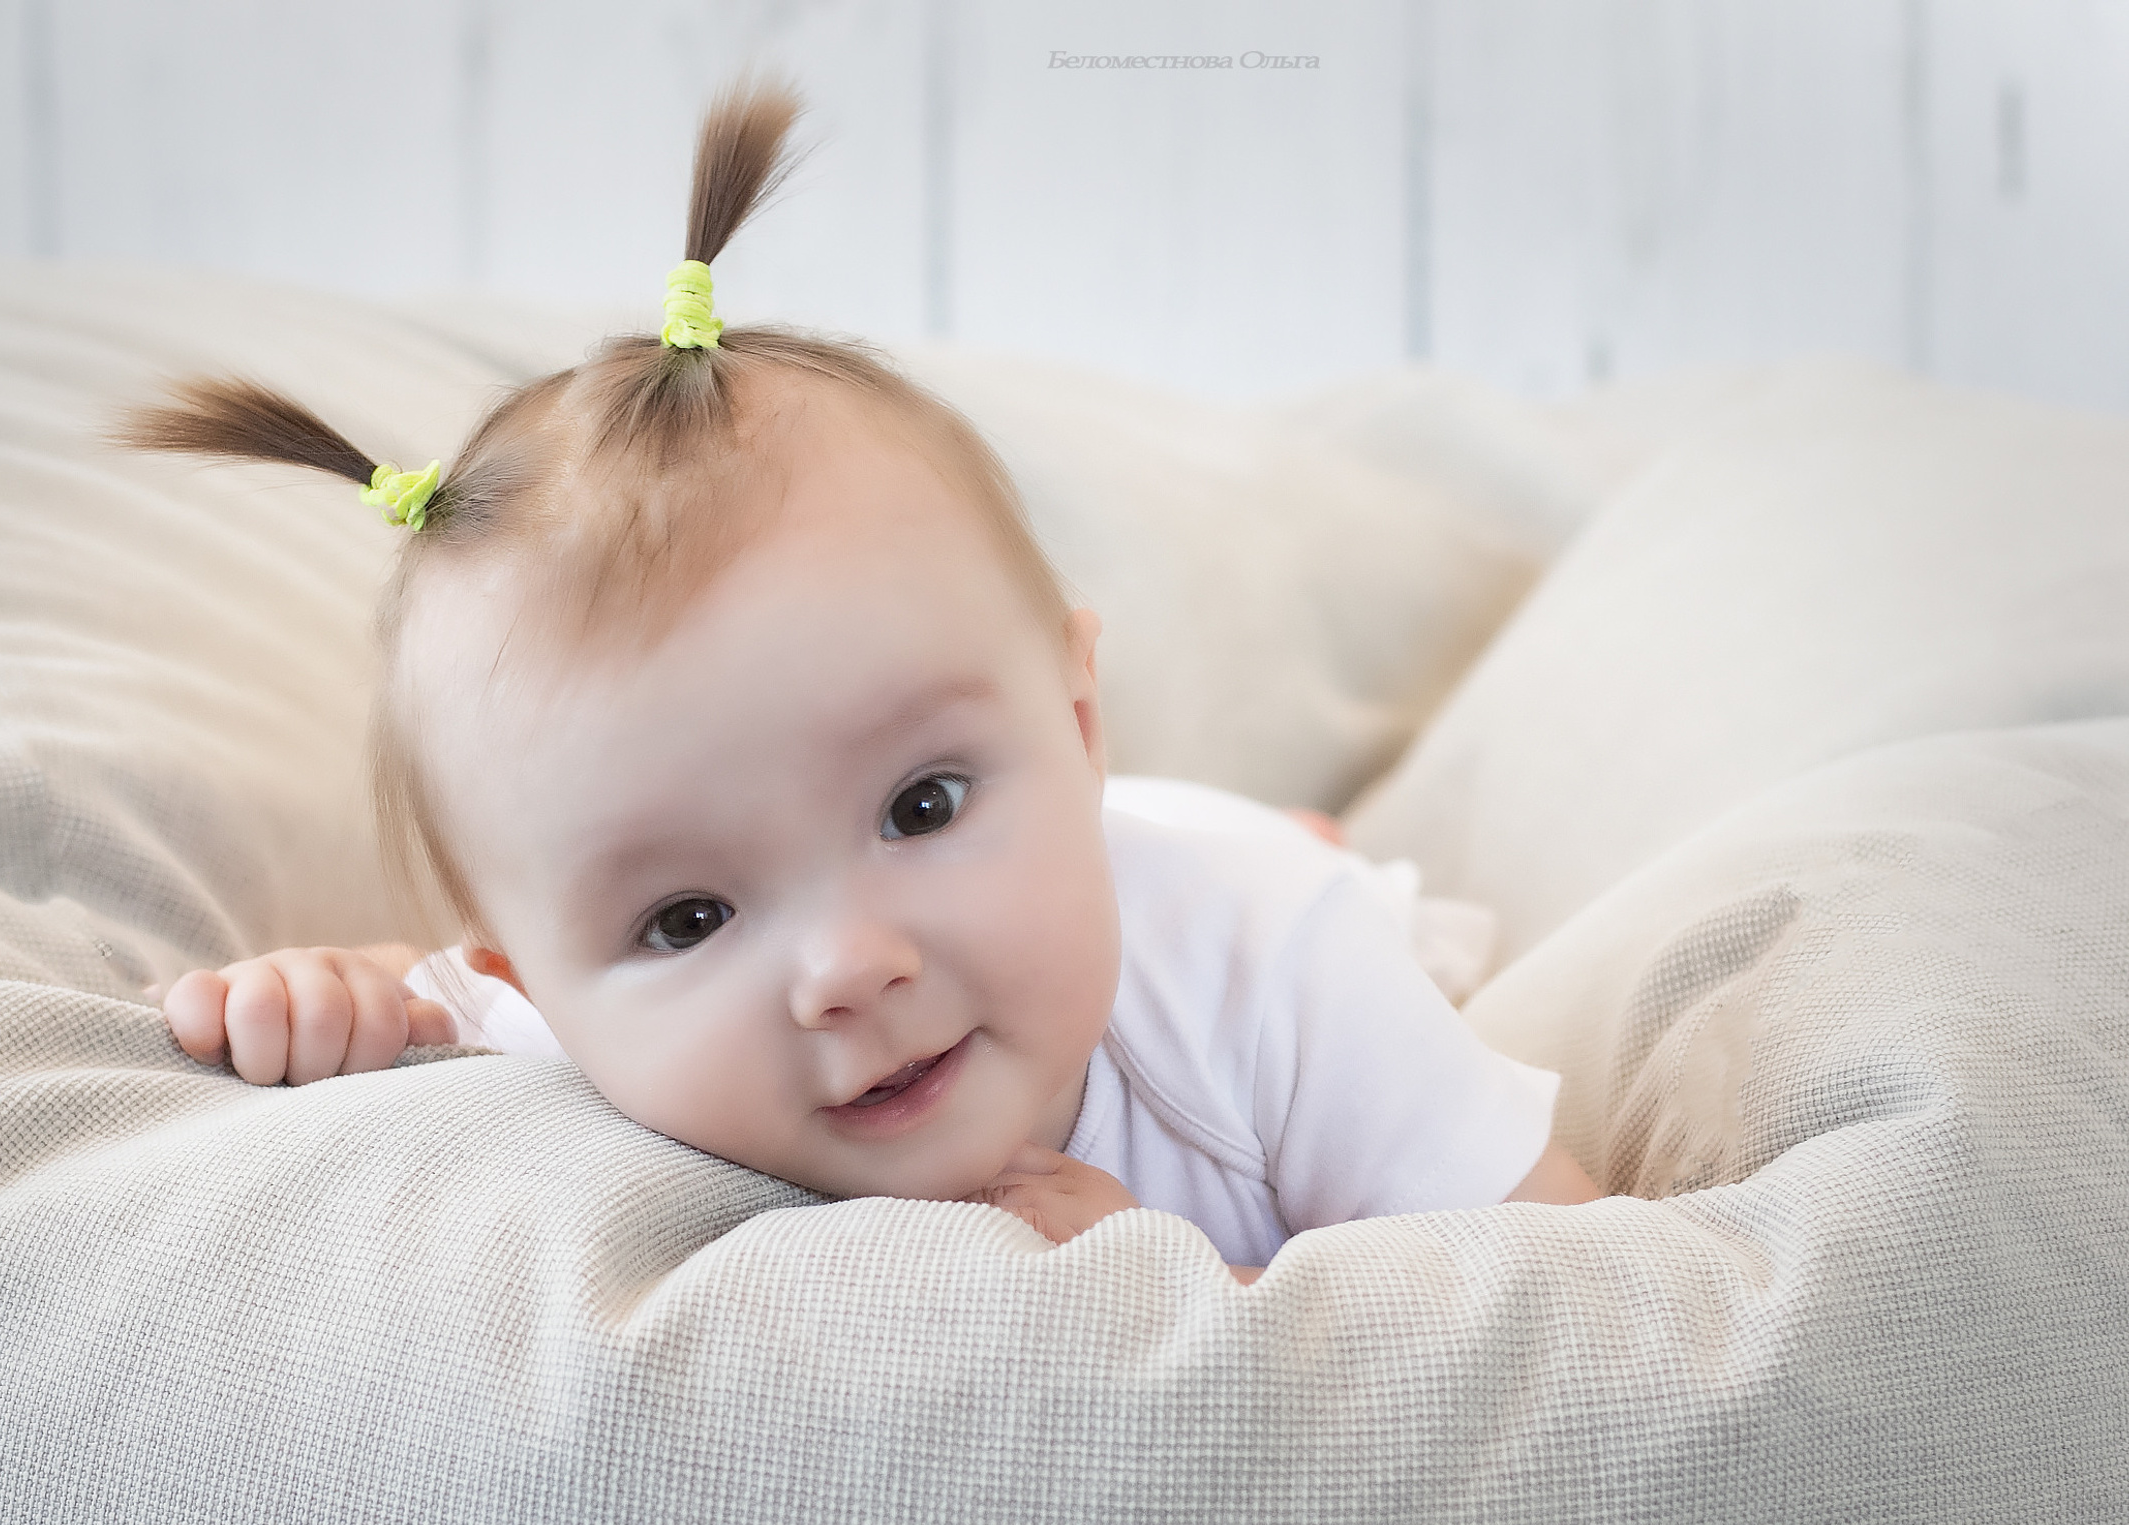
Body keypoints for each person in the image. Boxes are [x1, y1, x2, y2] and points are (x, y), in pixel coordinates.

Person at [125, 80, 1603, 1284]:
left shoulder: (1277, 975)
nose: (850, 967)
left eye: (923, 802)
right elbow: (431, 997)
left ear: (1078, 723)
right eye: (688, 915)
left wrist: (1198, 1289)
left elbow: (1576, 1292)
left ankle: (1283, 826)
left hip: (1230, 879)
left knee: (1275, 866)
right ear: (538, 984)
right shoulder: (540, 1022)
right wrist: (334, 1000)